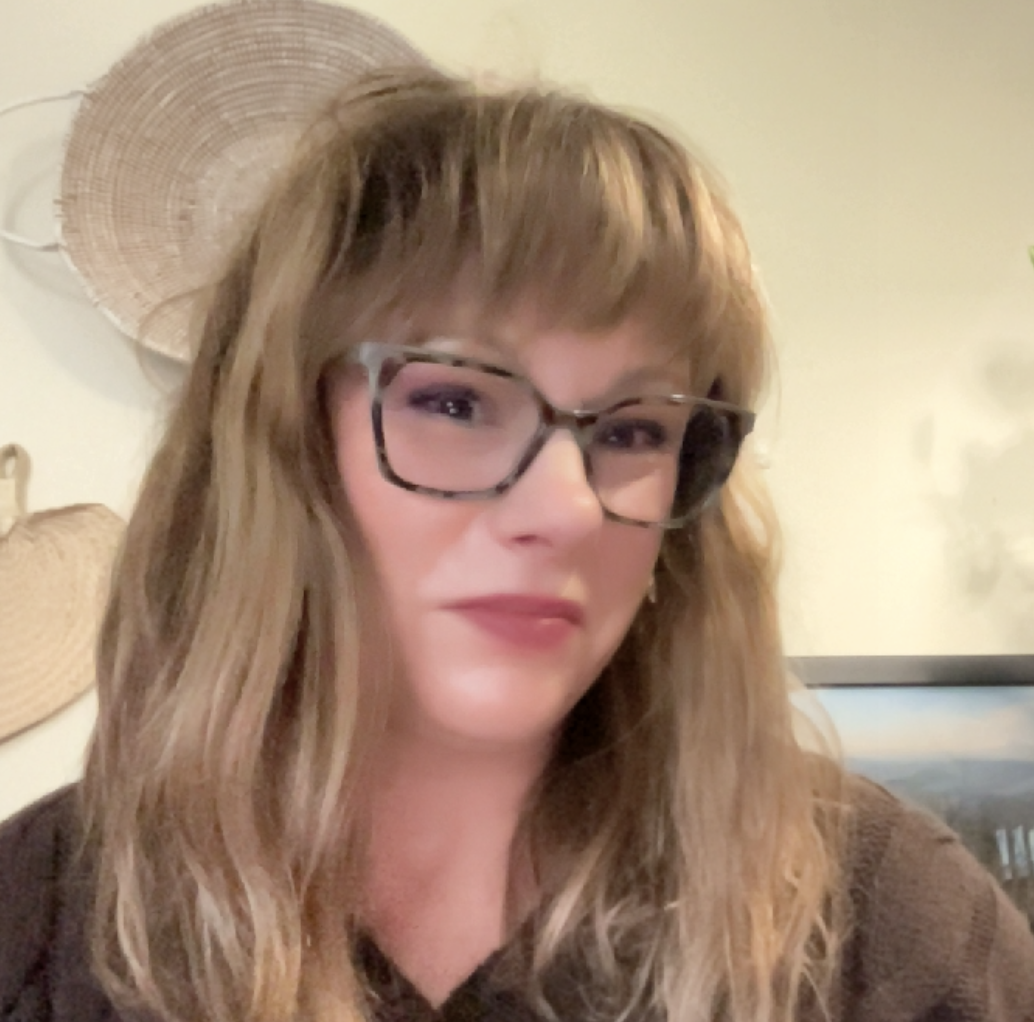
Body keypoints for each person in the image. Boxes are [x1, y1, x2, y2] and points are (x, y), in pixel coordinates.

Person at [1, 68, 1032, 1022]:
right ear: (284, 442)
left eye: (634, 430)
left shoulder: (881, 922)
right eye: (454, 401)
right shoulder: (37, 926)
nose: (570, 508)